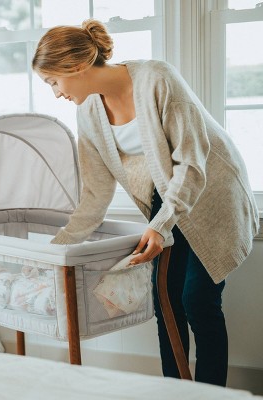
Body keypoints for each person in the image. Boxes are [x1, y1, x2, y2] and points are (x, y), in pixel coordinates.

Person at [32, 19, 259, 386]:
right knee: (165, 300)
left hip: (213, 192)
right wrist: (56, 249)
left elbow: (192, 162)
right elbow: (95, 194)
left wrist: (161, 224)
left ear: (76, 66)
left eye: (53, 82)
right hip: (166, 196)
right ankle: (175, 389)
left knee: (198, 300)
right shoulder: (88, 114)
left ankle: (211, 393)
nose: (55, 93)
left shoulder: (157, 78)